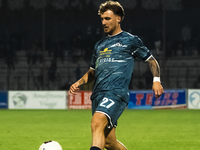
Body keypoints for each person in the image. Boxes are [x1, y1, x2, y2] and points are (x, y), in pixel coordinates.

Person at [68, 1, 164, 150]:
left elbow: (151, 61)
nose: (103, 22)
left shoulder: (131, 40)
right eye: (102, 19)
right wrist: (79, 82)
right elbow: (92, 71)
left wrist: (156, 80)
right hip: (98, 94)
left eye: (107, 18)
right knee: (108, 142)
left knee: (96, 122)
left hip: (116, 92)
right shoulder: (99, 45)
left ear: (118, 18)